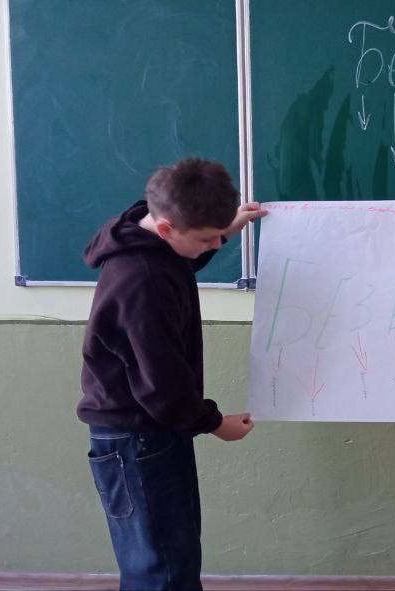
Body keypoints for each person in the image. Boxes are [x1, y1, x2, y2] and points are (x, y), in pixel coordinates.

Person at [77, 157, 265, 591]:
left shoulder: (147, 244)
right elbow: (161, 383)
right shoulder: (139, 281)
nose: (214, 245)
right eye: (206, 239)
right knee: (160, 568)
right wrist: (214, 423)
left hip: (151, 430)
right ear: (165, 228)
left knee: (171, 554)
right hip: (137, 437)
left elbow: (178, 259)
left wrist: (226, 229)